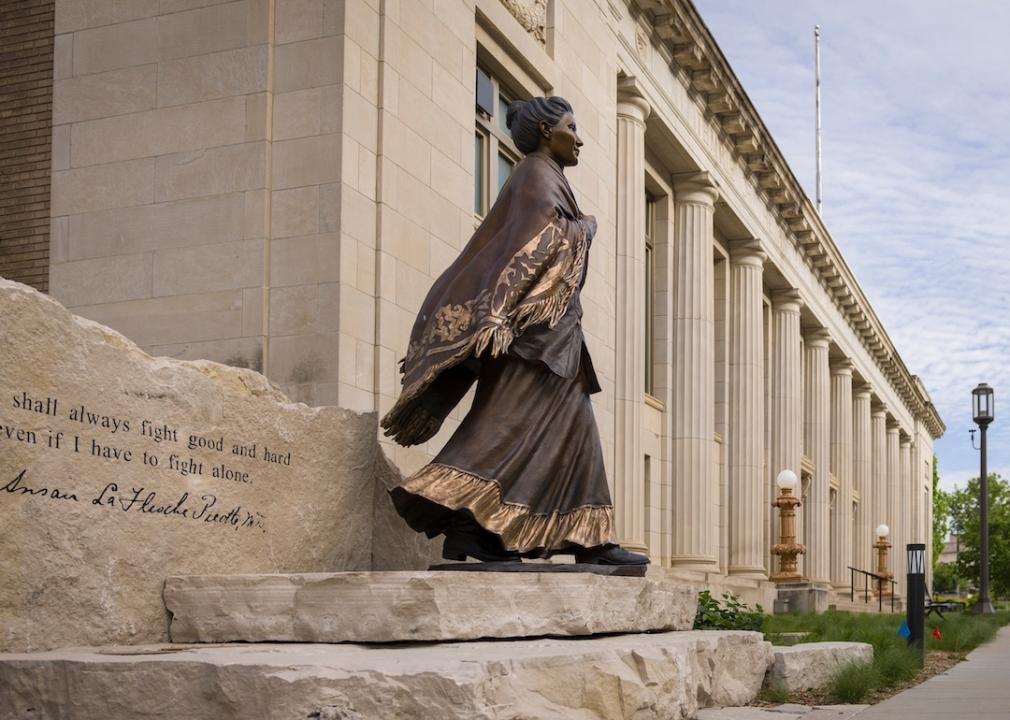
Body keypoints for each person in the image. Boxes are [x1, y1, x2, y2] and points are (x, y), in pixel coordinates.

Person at [381, 96, 648, 566]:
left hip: (555, 337)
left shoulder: (548, 177)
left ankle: (586, 536)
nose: (579, 137)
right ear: (548, 131)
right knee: (502, 431)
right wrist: (583, 228)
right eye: (571, 126)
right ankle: (469, 526)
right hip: (531, 338)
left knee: (574, 431)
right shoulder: (535, 174)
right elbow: (532, 244)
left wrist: (577, 228)